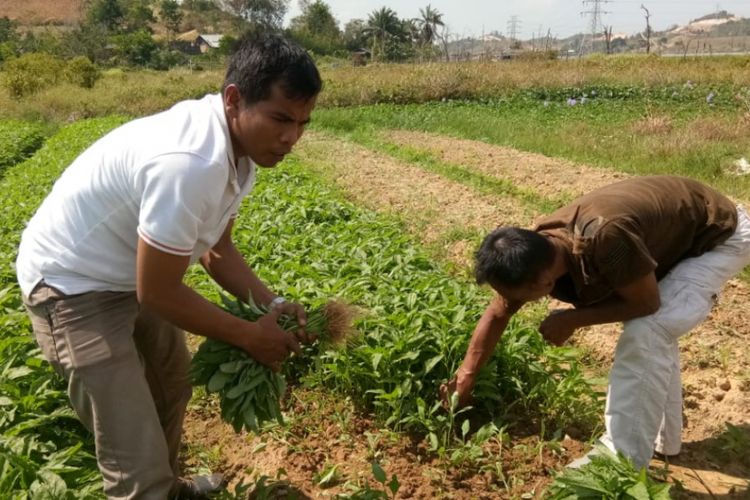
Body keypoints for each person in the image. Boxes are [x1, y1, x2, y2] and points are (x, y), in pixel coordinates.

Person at [15, 34, 321, 499]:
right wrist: (249, 335)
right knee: (130, 447)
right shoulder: (191, 162)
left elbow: (216, 251)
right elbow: (157, 292)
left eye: (302, 122)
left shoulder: (238, 155)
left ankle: (170, 489)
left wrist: (272, 302)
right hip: (69, 285)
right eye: (281, 118)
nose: (291, 137)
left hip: (127, 271)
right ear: (235, 99)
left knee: (170, 385)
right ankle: (149, 488)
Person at [440, 175, 750, 469]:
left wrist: (573, 319)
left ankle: (620, 460)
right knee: (654, 332)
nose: (511, 301)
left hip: (720, 237)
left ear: (545, 282)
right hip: (676, 235)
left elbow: (646, 302)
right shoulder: (535, 252)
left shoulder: (605, 238)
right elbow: (498, 312)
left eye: (518, 295)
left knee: (649, 329)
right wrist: (467, 374)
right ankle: (664, 442)